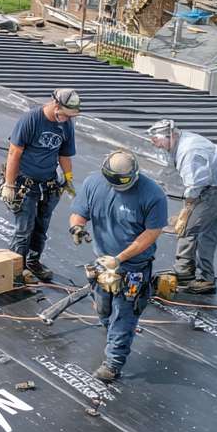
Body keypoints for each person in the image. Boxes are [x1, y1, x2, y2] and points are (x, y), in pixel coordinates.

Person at [69, 150, 168, 383]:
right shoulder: (94, 183)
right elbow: (78, 213)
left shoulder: (152, 195)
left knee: (124, 314)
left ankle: (113, 362)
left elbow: (152, 233)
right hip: (102, 263)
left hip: (133, 267)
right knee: (103, 308)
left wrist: (120, 258)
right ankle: (112, 332)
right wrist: (77, 227)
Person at [148, 119, 217, 295]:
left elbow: (195, 185)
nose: (157, 146)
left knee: (187, 228)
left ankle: (184, 273)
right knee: (206, 233)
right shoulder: (181, 140)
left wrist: (186, 212)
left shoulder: (189, 151)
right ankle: (205, 278)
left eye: (158, 141)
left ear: (170, 136)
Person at [0, 88, 80, 282]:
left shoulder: (66, 124)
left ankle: (33, 262)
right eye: (65, 114)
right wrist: (9, 185)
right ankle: (16, 270)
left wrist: (68, 178)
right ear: (56, 105)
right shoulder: (31, 120)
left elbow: (64, 154)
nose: (66, 119)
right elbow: (14, 153)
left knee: (41, 226)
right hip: (25, 183)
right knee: (23, 229)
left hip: (48, 183)